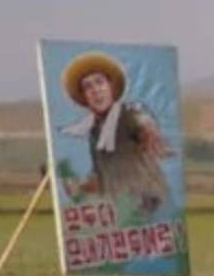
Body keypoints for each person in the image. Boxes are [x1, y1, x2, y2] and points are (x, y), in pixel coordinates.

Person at [59, 51, 170, 215]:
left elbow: (142, 121)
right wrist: (80, 187)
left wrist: (149, 133)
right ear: (84, 97)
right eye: (88, 87)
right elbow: (102, 177)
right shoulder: (94, 132)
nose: (95, 90)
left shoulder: (128, 112)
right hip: (120, 210)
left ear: (111, 87)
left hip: (147, 202)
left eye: (99, 82)